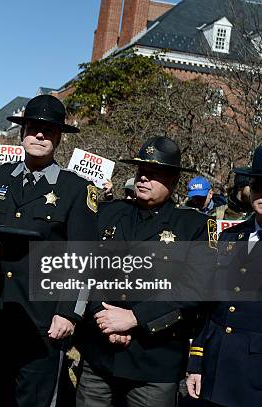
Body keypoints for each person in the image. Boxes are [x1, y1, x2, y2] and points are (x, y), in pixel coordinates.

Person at [75, 136, 216, 407]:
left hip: (154, 361)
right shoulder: (109, 213)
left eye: (153, 174)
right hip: (99, 354)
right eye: (141, 172)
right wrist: (101, 316)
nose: (143, 179)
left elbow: (194, 290)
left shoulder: (193, 226)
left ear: (174, 181)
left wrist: (134, 318)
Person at [0, 94, 98, 407]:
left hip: (42, 320)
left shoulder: (76, 188)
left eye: (48, 130)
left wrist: (68, 312)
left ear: (59, 137)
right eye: (33, 128)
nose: (39, 135)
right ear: (22, 133)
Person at [186, 146, 262, 407]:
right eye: (260, 186)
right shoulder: (230, 237)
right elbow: (209, 305)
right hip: (217, 368)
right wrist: (196, 361)